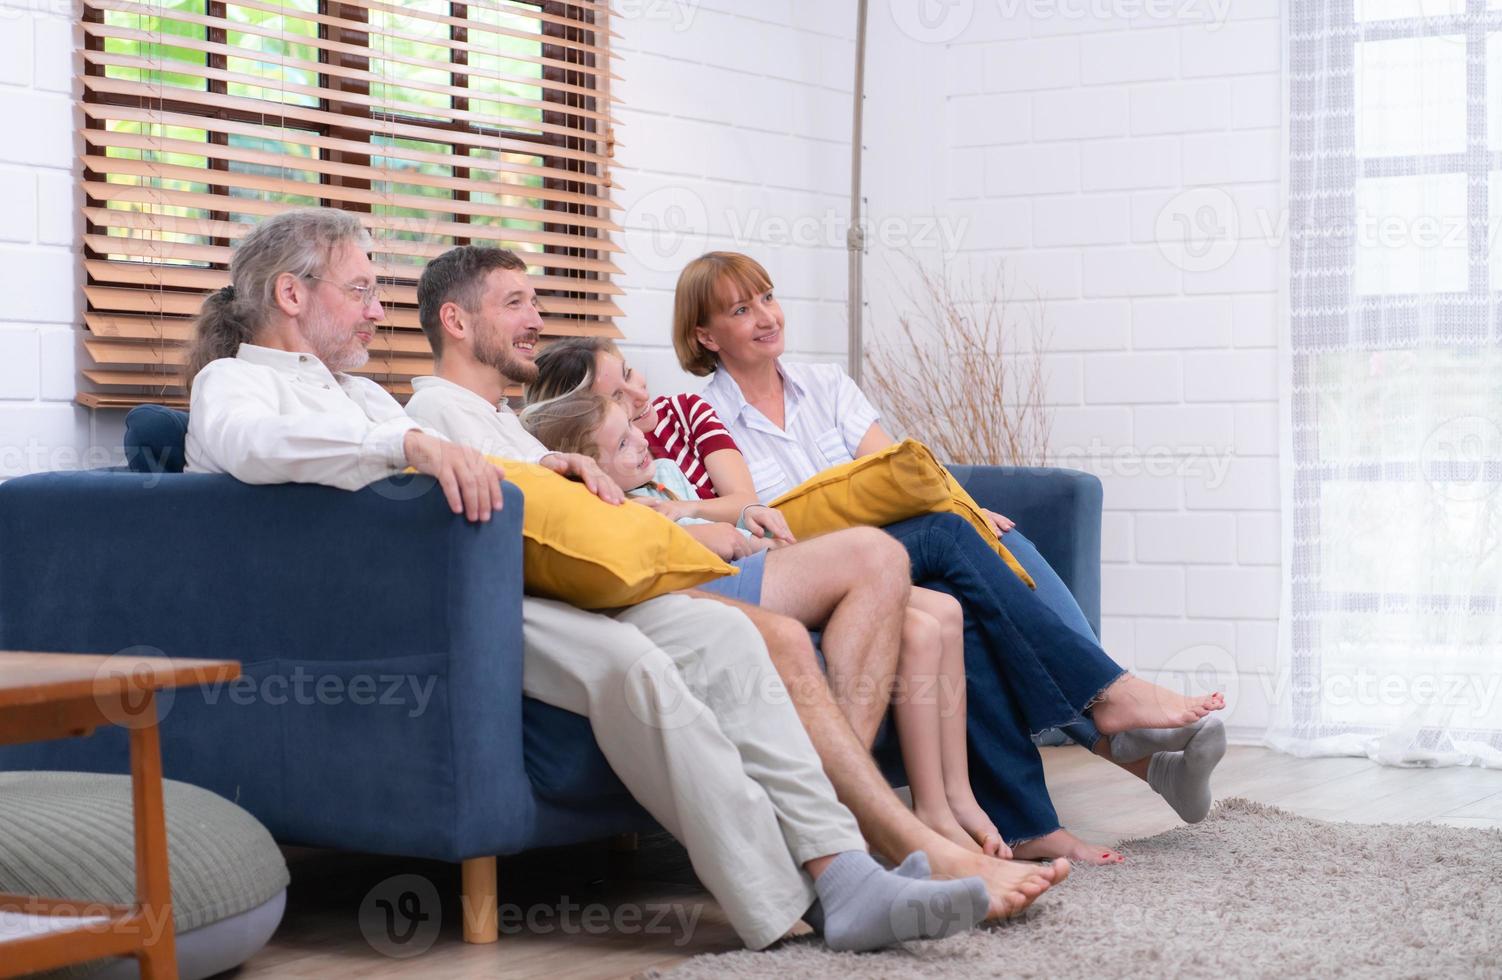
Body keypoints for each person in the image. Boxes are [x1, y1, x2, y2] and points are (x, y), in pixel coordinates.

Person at [182, 209, 1003, 953]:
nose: (376, 308)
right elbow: (258, 446)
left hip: (496, 585)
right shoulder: (233, 384)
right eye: (360, 289)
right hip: (418, 614)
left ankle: (845, 868)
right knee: (630, 669)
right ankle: (789, 899)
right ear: (291, 293)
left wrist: (552, 462)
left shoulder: (360, 393)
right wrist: (407, 450)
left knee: (722, 635)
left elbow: (500, 476)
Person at [403, 244, 1068, 907]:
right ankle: (889, 830)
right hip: (634, 586)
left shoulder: (503, 423)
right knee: (881, 554)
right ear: (457, 322)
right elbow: (557, 531)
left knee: (904, 574)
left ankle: (866, 840)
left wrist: (696, 519)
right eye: (515, 303)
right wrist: (686, 528)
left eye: (536, 301)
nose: (536, 319)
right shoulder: (439, 419)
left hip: (659, 568)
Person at [528, 255, 1228, 865]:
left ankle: (1049, 806)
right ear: (705, 335)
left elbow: (893, 465)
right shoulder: (688, 415)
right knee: (954, 546)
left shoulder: (823, 386)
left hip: (880, 539)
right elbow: (720, 507)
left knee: (980, 550)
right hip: (815, 554)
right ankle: (1114, 712)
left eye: (766, 298)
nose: (765, 316)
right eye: (741, 310)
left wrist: (959, 501)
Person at [521, 390, 1007, 855]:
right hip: (712, 576)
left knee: (933, 618)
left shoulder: (666, 475)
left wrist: (734, 525)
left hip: (747, 558)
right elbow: (685, 549)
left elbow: (731, 518)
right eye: (621, 444)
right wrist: (719, 537)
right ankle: (846, 803)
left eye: (631, 427)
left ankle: (943, 805)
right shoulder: (622, 509)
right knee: (876, 556)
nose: (639, 439)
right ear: (591, 468)